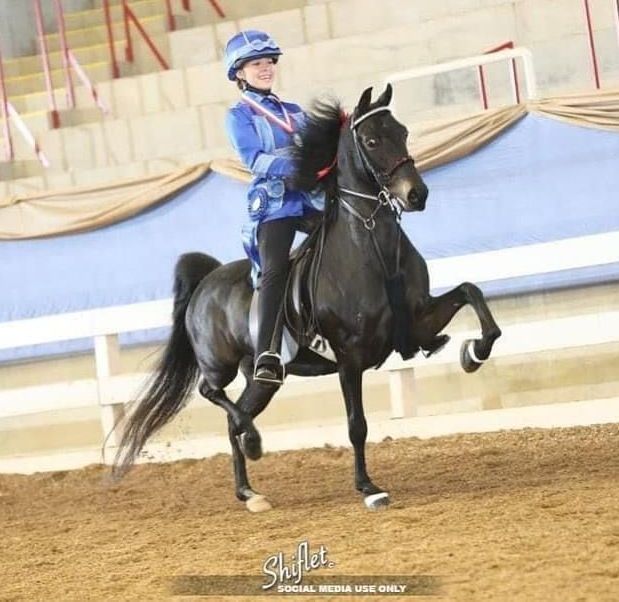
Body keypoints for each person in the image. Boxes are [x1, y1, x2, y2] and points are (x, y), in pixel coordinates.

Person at [224, 30, 324, 384]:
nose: (265, 68)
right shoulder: (238, 115)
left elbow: (320, 147)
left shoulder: (294, 111)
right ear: (239, 72)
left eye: (269, 62)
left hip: (310, 199)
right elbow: (255, 161)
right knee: (275, 270)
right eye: (256, 63)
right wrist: (300, 166)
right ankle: (267, 352)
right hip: (276, 204)